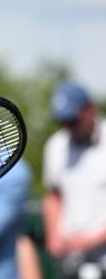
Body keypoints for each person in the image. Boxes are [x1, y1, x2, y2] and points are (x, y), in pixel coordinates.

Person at [43, 81, 106, 265]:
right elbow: (54, 196)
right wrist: (53, 235)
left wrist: (91, 240)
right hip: (71, 260)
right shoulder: (56, 146)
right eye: (64, 122)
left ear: (90, 110)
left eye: (73, 121)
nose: (69, 127)